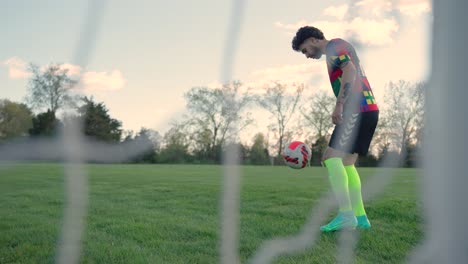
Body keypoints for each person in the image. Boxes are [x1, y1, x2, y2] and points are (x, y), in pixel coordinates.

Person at [292, 26, 379, 232]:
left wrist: (340, 104)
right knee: (347, 164)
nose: (306, 56)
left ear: (313, 40)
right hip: (369, 109)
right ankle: (360, 217)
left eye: (305, 50)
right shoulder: (339, 46)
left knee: (330, 158)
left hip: (356, 110)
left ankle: (346, 215)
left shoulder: (334, 47)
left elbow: (349, 69)